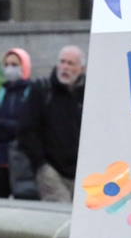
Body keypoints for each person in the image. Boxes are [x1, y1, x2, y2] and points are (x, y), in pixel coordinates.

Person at [18, 45, 86, 203]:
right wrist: (41, 164)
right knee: (60, 214)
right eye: (62, 62)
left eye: (70, 63)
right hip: (51, 171)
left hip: (81, 172)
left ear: (81, 69)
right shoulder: (42, 90)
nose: (65, 67)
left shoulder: (88, 94)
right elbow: (26, 129)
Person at [0, 48, 33, 199]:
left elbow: (30, 127)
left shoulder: (32, 92)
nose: (9, 68)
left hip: (25, 163)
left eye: (14, 64)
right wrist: (14, 127)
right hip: (3, 160)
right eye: (6, 64)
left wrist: (4, 123)